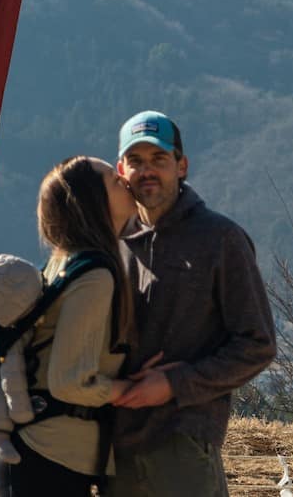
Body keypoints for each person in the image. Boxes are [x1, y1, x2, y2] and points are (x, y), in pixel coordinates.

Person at [109, 110, 277, 497]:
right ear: (121, 168)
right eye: (136, 161)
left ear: (181, 166)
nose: (147, 171)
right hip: (115, 448)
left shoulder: (221, 240)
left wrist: (173, 384)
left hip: (183, 441)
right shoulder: (113, 241)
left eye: (159, 160)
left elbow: (258, 344)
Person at [0, 155, 139, 497]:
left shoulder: (63, 262)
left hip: (39, 451)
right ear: (93, 202)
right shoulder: (96, 277)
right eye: (114, 181)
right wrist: (128, 389)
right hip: (51, 457)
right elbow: (69, 382)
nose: (125, 182)